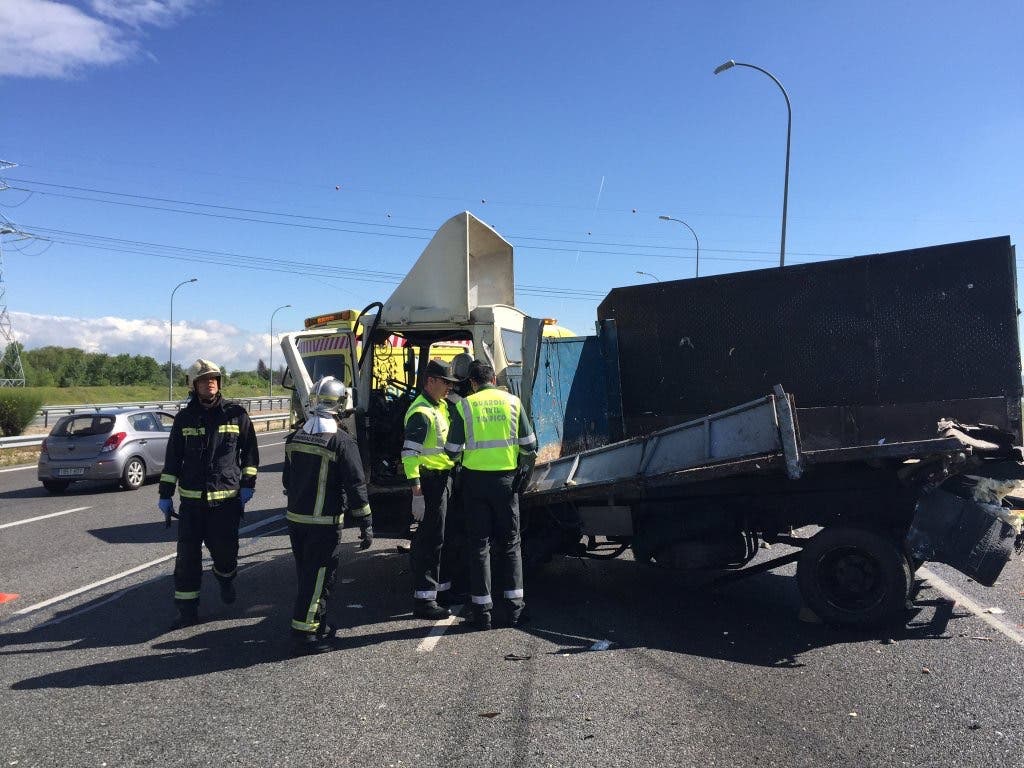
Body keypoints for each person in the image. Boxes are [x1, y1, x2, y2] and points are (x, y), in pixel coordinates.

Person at [158, 358, 259, 627]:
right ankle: (187, 611)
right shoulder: (184, 418)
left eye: (214, 378)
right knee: (187, 560)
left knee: (226, 556)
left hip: (225, 502)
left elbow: (250, 453)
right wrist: (165, 493)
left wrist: (248, 485)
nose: (210, 382)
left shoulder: (236, 414)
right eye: (204, 379)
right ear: (194, 386)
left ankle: (226, 579)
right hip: (192, 504)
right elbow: (172, 460)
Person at [283, 375, 373, 654]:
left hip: (296, 520)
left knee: (306, 574)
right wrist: (365, 521)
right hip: (324, 522)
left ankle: (316, 623)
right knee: (320, 576)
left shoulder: (295, 437)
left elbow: (288, 481)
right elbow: (356, 483)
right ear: (341, 405)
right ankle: (306, 634)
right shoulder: (342, 442)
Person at [444, 359, 537, 630]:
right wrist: (519, 463)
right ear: (493, 379)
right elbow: (529, 445)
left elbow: (451, 449)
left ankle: (482, 612)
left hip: (474, 483)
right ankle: (515, 610)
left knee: (479, 546)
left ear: (472, 383)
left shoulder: (465, 405)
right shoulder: (512, 402)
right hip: (506, 483)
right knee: (510, 544)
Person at [402, 359, 461, 620]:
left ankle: (442, 589)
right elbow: (409, 454)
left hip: (443, 479)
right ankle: (424, 600)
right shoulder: (421, 412)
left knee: (444, 537)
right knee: (430, 540)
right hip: (429, 483)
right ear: (431, 381)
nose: (449, 387)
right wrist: (417, 493)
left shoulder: (440, 407)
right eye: (445, 382)